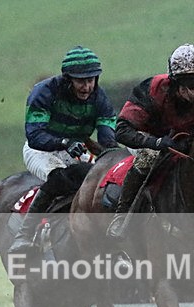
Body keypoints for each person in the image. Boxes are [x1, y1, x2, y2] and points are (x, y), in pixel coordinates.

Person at [9, 46, 118, 254]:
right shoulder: (44, 92)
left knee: (98, 179)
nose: (86, 87)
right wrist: (65, 142)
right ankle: (24, 233)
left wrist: (111, 153)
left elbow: (107, 138)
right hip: (41, 150)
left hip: (75, 149)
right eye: (80, 81)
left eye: (91, 80)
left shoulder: (100, 98)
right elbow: (35, 136)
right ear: (68, 79)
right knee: (60, 178)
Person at [106, 43, 194, 239]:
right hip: (146, 139)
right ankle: (122, 215)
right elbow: (122, 131)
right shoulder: (152, 91)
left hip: (178, 141)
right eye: (191, 84)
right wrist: (156, 143)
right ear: (175, 82)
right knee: (148, 157)